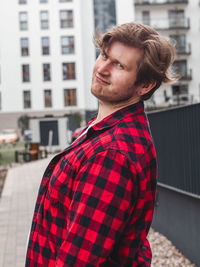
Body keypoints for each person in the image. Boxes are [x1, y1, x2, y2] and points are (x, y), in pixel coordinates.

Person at [26, 22, 175, 266]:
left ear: (145, 85)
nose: (102, 69)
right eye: (105, 55)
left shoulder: (111, 154)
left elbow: (78, 260)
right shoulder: (103, 130)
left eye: (119, 65)